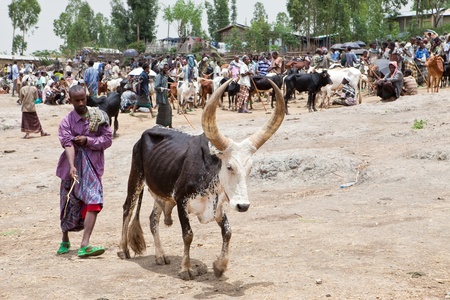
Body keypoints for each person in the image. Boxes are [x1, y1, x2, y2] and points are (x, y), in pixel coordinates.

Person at [56, 85, 112, 257]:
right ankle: (65, 238)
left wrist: (88, 140)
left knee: (94, 200)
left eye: (83, 99)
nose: (81, 103)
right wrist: (72, 166)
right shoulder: (66, 122)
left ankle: (85, 244)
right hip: (71, 168)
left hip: (93, 167)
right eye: (77, 100)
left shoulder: (99, 116)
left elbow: (107, 139)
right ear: (70, 100)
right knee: (68, 202)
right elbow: (68, 144)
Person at [154, 63, 172, 128]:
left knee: (169, 110)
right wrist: (164, 89)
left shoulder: (165, 77)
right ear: (161, 69)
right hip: (161, 97)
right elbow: (156, 87)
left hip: (165, 96)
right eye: (165, 68)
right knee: (163, 111)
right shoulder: (158, 77)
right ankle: (160, 125)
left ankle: (169, 125)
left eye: (167, 68)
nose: (167, 70)